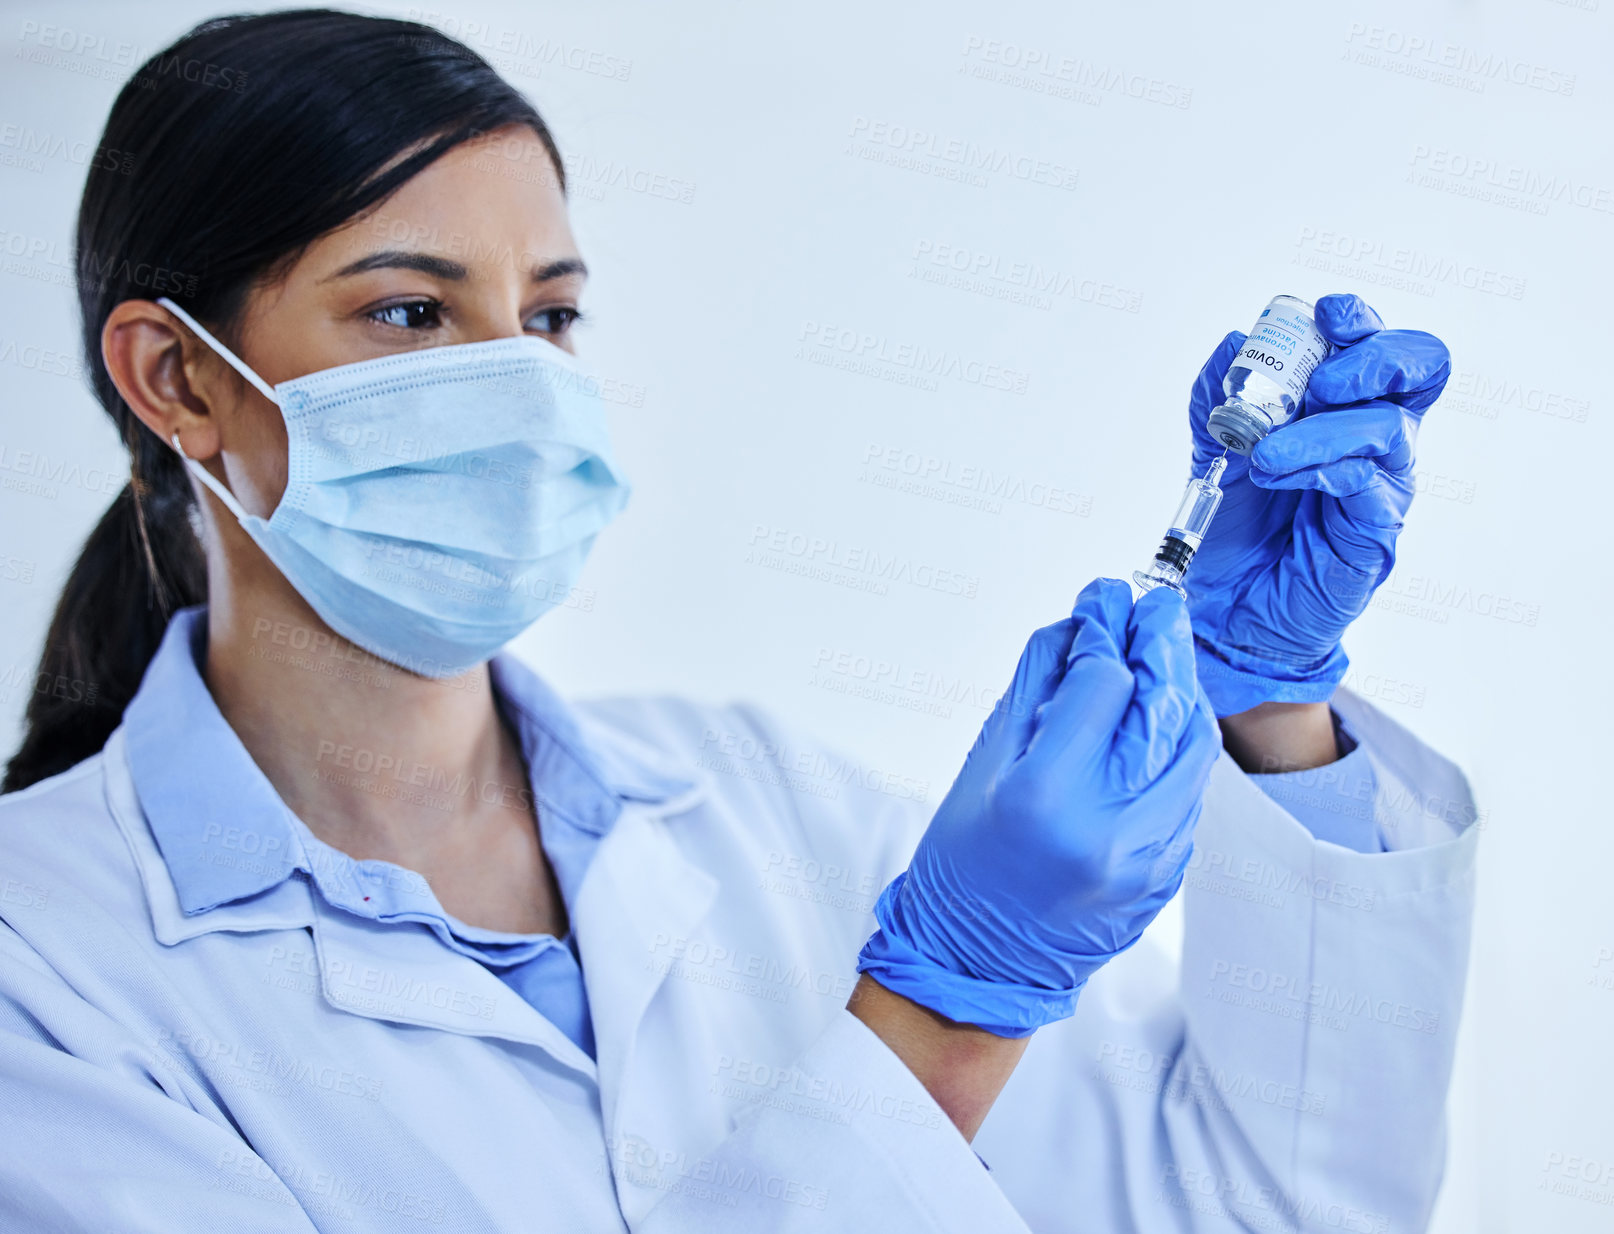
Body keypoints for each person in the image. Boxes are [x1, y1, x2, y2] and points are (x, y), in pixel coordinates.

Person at [0, 11, 1477, 1232]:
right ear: (177, 380)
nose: (517, 384)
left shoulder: (764, 807)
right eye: (408, 313)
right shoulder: (43, 975)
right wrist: (939, 1018)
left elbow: (1261, 1208)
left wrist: (1265, 707)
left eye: (551, 314)